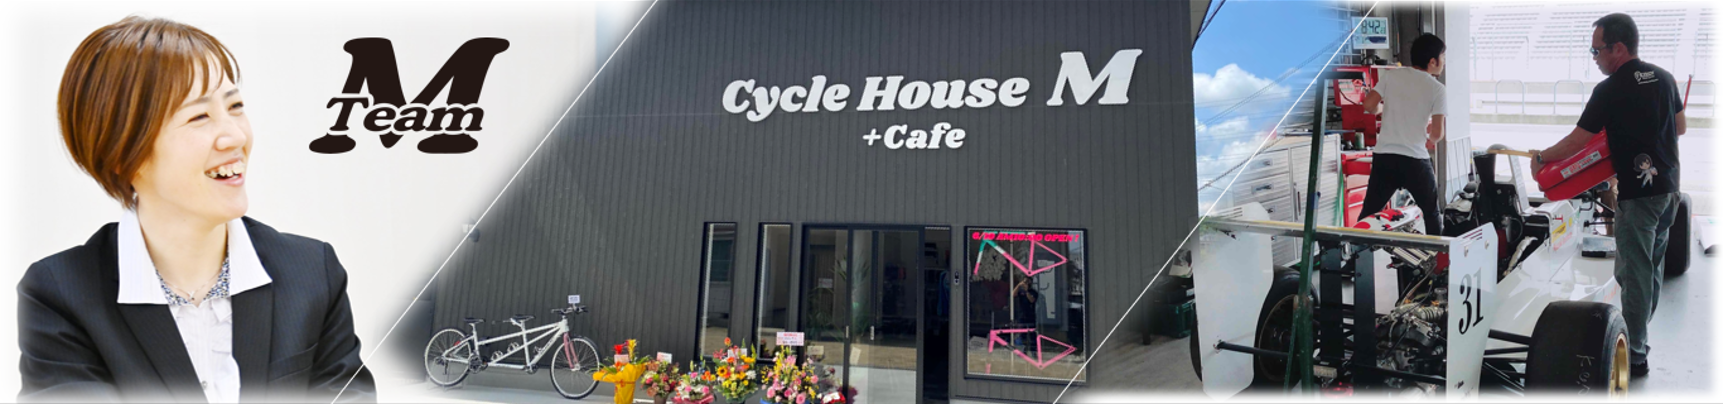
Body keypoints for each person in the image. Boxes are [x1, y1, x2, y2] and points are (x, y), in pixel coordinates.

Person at [18, 17, 375, 402]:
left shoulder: (313, 273)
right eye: (199, 116)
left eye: (235, 106)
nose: (235, 136)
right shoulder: (60, 296)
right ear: (122, 153)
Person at [1528, 13, 1685, 378]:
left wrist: (1542, 157)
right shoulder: (1664, 77)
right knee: (1650, 268)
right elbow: (1679, 127)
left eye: (1596, 50)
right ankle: (1641, 335)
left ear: (1618, 48)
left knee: (1633, 275)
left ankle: (1636, 353)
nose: (1595, 58)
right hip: (1669, 190)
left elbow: (1577, 141)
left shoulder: (1610, 89)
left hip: (1638, 197)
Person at [1360, 33, 1449, 236]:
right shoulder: (1437, 89)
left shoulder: (1392, 76)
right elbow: (1438, 132)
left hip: (1385, 158)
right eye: (1443, 57)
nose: (1444, 62)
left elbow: (1368, 105)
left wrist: (1381, 109)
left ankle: (1357, 251)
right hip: (1415, 159)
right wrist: (1429, 140)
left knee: (1369, 213)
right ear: (1432, 61)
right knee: (1431, 213)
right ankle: (1438, 254)